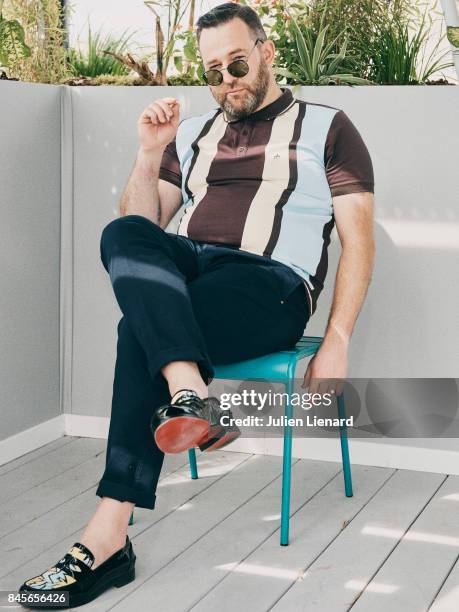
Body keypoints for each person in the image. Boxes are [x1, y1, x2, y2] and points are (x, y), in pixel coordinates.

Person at [18, 3, 375, 607]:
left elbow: (358, 240)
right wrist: (146, 152)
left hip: (271, 283)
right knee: (118, 234)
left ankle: (106, 538)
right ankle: (189, 390)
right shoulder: (192, 135)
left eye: (237, 63)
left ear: (265, 51)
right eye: (213, 72)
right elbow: (141, 227)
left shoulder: (329, 127)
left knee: (139, 329)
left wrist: (337, 339)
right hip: (189, 268)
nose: (226, 80)